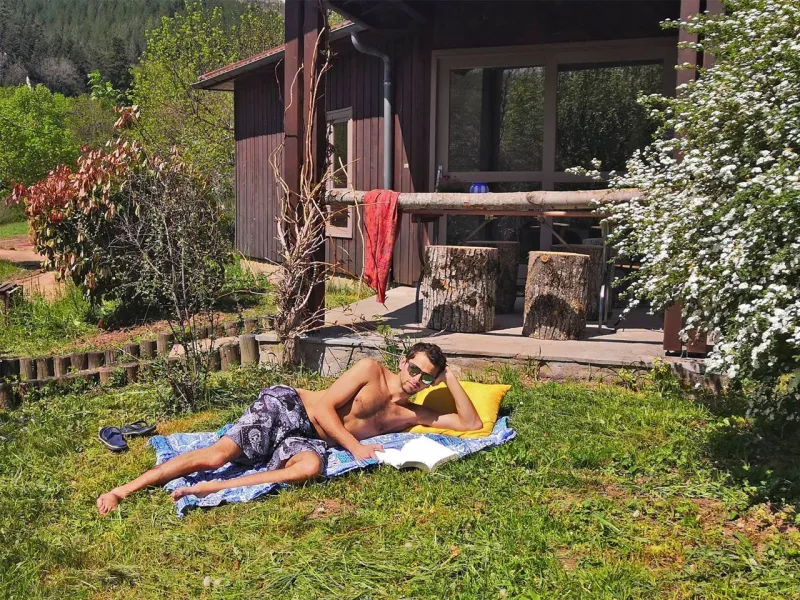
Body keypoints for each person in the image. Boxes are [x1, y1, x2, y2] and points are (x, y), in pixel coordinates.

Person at [97, 342, 481, 514]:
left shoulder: (412, 413)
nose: (416, 379)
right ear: (403, 362)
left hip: (307, 438)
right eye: (414, 369)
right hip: (289, 408)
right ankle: (122, 490)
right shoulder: (370, 371)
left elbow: (471, 423)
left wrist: (449, 378)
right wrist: (355, 448)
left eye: (426, 377)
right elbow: (326, 407)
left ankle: (211, 488)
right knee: (216, 457)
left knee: (310, 467)